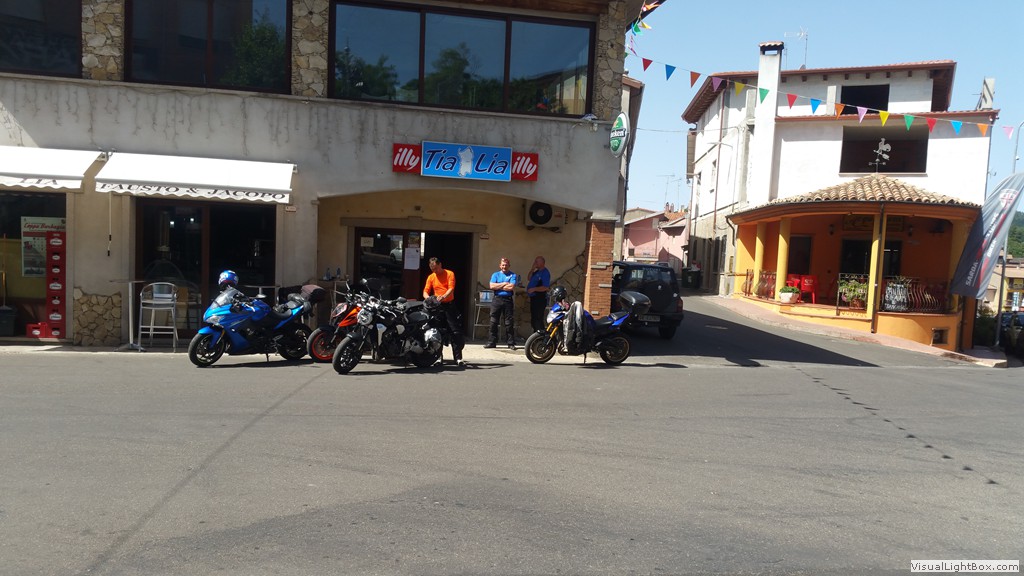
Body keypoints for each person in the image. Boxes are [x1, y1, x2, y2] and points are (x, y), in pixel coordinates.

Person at [422, 257, 465, 366]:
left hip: (449, 305)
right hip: (437, 306)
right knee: (437, 331)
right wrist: (429, 299)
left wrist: (444, 296)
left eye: (436, 268)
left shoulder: (449, 273)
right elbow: (425, 291)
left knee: (455, 331)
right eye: (432, 269)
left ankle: (458, 358)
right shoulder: (431, 277)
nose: (435, 271)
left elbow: (451, 288)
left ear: (440, 264)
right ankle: (438, 357)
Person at [486, 257, 518, 349]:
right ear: (500, 265)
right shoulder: (495, 274)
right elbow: (492, 286)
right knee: (493, 321)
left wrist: (498, 286)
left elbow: (511, 287)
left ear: (509, 265)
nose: (504, 267)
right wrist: (504, 283)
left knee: (509, 322)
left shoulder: (513, 275)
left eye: (506, 265)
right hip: (497, 299)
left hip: (508, 300)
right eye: (503, 265)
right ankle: (492, 342)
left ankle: (510, 343)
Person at [525, 256, 550, 332]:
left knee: (538, 318)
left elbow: (545, 287)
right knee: (534, 318)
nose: (535, 263)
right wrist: (532, 269)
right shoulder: (536, 272)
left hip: (540, 298)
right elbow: (529, 278)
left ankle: (540, 334)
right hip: (534, 298)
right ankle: (535, 333)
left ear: (542, 263)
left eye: (537, 262)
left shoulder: (545, 273)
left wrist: (534, 289)